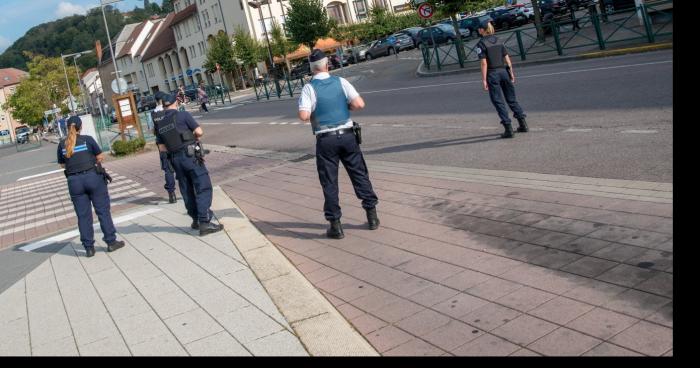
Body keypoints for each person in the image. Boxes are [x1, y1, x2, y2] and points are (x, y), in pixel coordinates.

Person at [298, 49, 379, 239]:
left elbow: (304, 115)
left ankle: (336, 225)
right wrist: (345, 106)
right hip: (348, 136)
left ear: (312, 69)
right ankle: (372, 216)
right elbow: (359, 104)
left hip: (326, 139)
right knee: (359, 174)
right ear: (327, 65)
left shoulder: (309, 88)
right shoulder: (341, 81)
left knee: (330, 181)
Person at [152, 92, 223, 236]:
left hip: (175, 160)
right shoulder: (183, 115)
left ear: (164, 106)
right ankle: (204, 222)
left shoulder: (159, 124)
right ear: (176, 103)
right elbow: (199, 131)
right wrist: (191, 137)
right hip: (190, 156)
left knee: (186, 190)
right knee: (203, 186)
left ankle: (195, 219)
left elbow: (161, 148)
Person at [57, 116, 125, 257]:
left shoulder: (62, 144)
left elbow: (63, 164)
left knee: (83, 216)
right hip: (93, 178)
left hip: (74, 182)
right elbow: (100, 156)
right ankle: (111, 242)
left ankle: (88, 248)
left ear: (67, 128)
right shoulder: (87, 140)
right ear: (80, 127)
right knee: (102, 211)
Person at [476, 20, 528, 138]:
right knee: (511, 99)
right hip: (504, 72)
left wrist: (484, 80)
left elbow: (484, 63)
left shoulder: (481, 44)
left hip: (492, 73)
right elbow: (507, 58)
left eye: (479, 28)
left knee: (498, 101)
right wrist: (511, 73)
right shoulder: (499, 40)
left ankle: (508, 129)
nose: (478, 30)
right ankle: (523, 124)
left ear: (482, 30)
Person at [153, 91, 177, 204]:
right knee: (180, 165)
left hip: (162, 144)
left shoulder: (153, 113)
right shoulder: (169, 109)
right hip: (175, 141)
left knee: (168, 170)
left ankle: (172, 194)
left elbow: (153, 130)